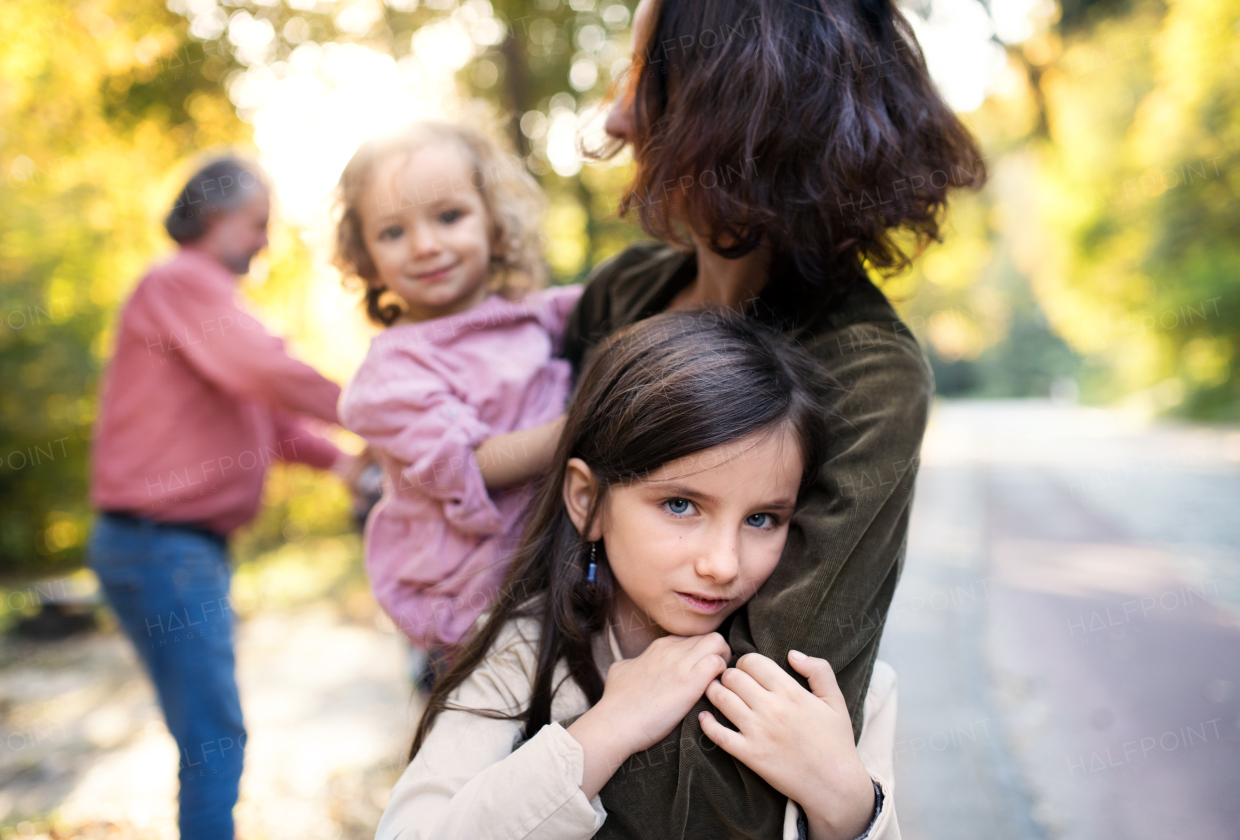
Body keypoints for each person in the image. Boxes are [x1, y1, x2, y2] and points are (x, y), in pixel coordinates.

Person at [559, 1, 988, 836]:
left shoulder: (867, 373)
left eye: (646, 77)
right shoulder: (622, 293)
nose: (616, 116)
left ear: (741, 108)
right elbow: (550, 549)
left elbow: (755, 734)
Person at [379, 311, 899, 840]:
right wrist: (609, 727)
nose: (722, 565)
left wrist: (850, 802)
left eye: (762, 519)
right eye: (680, 505)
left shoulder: (826, 675)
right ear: (588, 501)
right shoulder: (523, 651)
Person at [88, 157, 360, 840]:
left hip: (171, 547)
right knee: (215, 736)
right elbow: (266, 370)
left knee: (207, 732)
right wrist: (381, 410)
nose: (267, 242)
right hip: (162, 544)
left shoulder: (206, 305)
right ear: (214, 216)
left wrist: (349, 466)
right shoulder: (179, 281)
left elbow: (268, 420)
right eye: (258, 224)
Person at [335, 122, 583, 684]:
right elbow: (471, 464)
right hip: (470, 603)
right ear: (367, 257)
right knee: (487, 738)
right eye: (393, 232)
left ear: (494, 224)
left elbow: (625, 299)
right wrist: (585, 422)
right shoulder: (393, 372)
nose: (425, 245)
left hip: (547, 575)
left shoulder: (532, 312)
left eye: (449, 217)